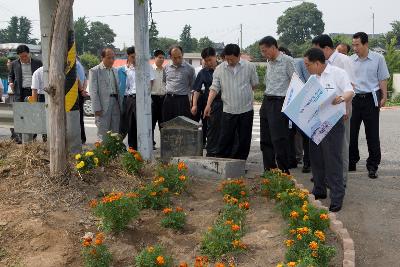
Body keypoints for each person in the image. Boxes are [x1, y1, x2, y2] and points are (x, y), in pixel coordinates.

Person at [303, 48, 354, 212]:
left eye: (308, 64)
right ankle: (319, 189)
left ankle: (337, 197)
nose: (306, 68)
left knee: (333, 159)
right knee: (316, 157)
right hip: (316, 121)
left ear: (317, 63)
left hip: (333, 121)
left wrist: (341, 99)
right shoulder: (313, 78)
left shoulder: (337, 73)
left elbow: (350, 90)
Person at [312, 34, 355, 186]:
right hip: (324, 114)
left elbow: (350, 87)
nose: (314, 54)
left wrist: (346, 109)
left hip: (340, 112)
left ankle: (341, 181)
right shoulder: (320, 66)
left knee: (341, 148)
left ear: (327, 48)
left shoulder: (343, 60)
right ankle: (327, 179)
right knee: (325, 148)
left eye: (316, 50)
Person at [204, 44, 259, 160]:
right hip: (228, 110)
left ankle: (240, 162)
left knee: (244, 139)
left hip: (246, 110)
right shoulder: (219, 69)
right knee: (225, 138)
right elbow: (214, 88)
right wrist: (208, 105)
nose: (229, 62)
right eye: (227, 59)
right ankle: (223, 161)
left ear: (239, 56)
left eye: (232, 59)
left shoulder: (250, 67)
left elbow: (254, 85)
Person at [349, 32, 390, 179]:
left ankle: (372, 165)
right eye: (353, 44)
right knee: (351, 132)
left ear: (366, 44)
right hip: (354, 99)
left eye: (357, 45)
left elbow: (382, 79)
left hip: (371, 98)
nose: (354, 48)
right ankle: (351, 161)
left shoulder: (378, 58)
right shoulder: (351, 60)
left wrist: (384, 96)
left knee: (372, 133)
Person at [258, 36, 296, 174]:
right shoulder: (269, 62)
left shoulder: (287, 61)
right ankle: (269, 171)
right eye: (262, 51)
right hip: (266, 101)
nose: (263, 54)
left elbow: (295, 83)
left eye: (265, 50)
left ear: (274, 47)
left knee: (279, 139)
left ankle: (283, 171)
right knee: (265, 139)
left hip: (280, 102)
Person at [8, 45, 43, 142]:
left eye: (25, 56)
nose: (24, 58)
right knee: (20, 114)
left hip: (33, 91)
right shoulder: (14, 64)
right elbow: (11, 75)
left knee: (33, 113)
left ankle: (33, 136)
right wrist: (10, 82)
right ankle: (20, 138)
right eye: (21, 56)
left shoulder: (37, 63)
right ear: (18, 56)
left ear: (29, 54)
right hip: (20, 91)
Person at [191, 47, 220, 156]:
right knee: (210, 128)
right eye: (206, 60)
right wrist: (194, 105)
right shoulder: (203, 72)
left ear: (215, 57)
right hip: (211, 103)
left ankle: (223, 152)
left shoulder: (224, 68)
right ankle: (211, 153)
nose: (208, 63)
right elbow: (197, 89)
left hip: (226, 103)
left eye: (210, 60)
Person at [89, 48, 121, 141]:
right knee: (103, 132)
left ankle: (114, 154)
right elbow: (93, 91)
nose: (111, 60)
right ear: (102, 58)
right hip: (103, 105)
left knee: (115, 131)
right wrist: (96, 108)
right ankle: (103, 154)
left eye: (113, 58)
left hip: (115, 102)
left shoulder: (115, 70)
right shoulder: (95, 71)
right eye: (108, 58)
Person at [162, 45, 195, 122]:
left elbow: (192, 87)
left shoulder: (190, 69)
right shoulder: (166, 68)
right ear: (170, 57)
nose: (178, 60)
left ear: (182, 54)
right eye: (175, 58)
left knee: (183, 124)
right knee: (167, 123)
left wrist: (192, 103)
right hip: (168, 100)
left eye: (180, 57)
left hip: (182, 100)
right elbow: (164, 81)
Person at [294, 58, 311, 173]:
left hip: (313, 102)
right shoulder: (298, 64)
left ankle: (309, 163)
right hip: (301, 103)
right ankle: (307, 162)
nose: (306, 66)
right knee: (305, 136)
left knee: (310, 137)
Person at [151, 49, 166, 148]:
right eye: (159, 57)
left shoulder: (166, 71)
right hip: (153, 98)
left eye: (163, 58)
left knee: (163, 123)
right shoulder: (150, 70)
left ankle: (164, 144)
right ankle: (150, 143)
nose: (161, 59)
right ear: (154, 58)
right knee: (151, 123)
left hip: (164, 99)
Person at [30, 66, 47, 142]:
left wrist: (34, 105)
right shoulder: (38, 72)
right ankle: (45, 138)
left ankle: (44, 138)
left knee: (41, 118)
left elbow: (34, 89)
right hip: (45, 96)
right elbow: (34, 90)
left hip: (43, 96)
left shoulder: (38, 72)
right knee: (43, 118)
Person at [5, 57, 19, 142]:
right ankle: (13, 134)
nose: (8, 64)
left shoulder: (17, 71)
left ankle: (17, 135)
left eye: (9, 62)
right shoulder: (9, 73)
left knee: (15, 116)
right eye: (7, 62)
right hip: (9, 95)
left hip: (14, 95)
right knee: (9, 116)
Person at [76, 58, 88, 144]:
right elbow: (84, 79)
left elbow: (76, 78)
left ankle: (80, 138)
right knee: (80, 117)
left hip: (77, 91)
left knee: (76, 116)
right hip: (81, 91)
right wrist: (83, 89)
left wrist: (81, 90)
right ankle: (82, 138)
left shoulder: (73, 64)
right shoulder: (80, 64)